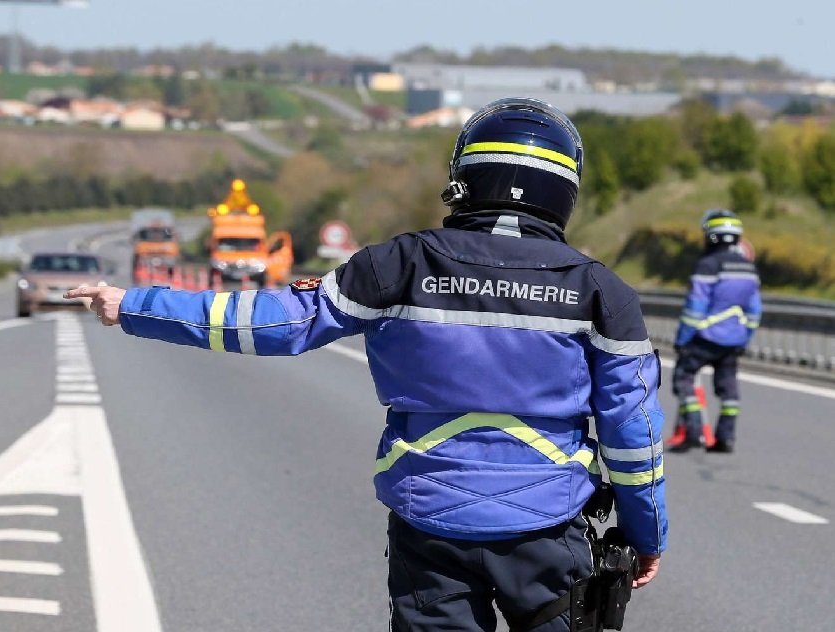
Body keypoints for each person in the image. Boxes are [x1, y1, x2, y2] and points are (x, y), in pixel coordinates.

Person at [67, 97, 666, 632]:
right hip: (547, 528)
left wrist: (135, 305)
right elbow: (633, 437)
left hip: (430, 526)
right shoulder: (601, 293)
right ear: (565, 191)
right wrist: (645, 533)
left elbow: (277, 322)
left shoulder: (397, 264)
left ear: (462, 178)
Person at [671, 209, 762, 454]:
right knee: (728, 388)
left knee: (684, 378)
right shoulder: (748, 268)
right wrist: (746, 338)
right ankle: (726, 437)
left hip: (704, 337)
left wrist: (682, 339)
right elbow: (754, 310)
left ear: (711, 236)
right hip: (734, 340)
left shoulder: (708, 265)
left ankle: (694, 431)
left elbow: (695, 306)